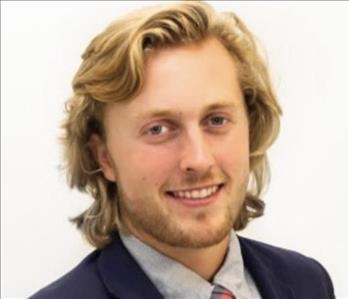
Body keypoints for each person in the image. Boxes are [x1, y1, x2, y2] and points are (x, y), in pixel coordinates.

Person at [30, 1, 335, 299]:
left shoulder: (308, 282)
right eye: (158, 129)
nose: (199, 160)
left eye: (216, 120)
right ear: (104, 156)